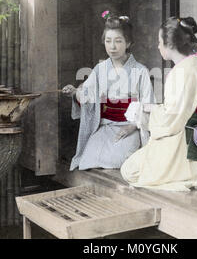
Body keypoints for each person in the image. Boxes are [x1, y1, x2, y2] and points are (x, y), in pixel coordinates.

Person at [120, 17, 197, 191]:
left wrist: (147, 110)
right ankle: (188, 169)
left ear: (169, 45)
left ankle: (181, 172)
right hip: (186, 135)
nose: (158, 46)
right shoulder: (192, 67)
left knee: (129, 171)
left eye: (159, 42)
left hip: (176, 141)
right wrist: (151, 108)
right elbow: (178, 109)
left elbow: (172, 119)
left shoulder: (181, 73)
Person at [62, 12, 154, 171]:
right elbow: (87, 96)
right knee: (88, 160)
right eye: (108, 41)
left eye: (118, 41)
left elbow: (148, 105)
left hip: (130, 127)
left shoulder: (140, 71)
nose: (112, 47)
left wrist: (133, 126)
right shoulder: (100, 70)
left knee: (118, 161)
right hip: (105, 127)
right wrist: (75, 92)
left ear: (128, 43)